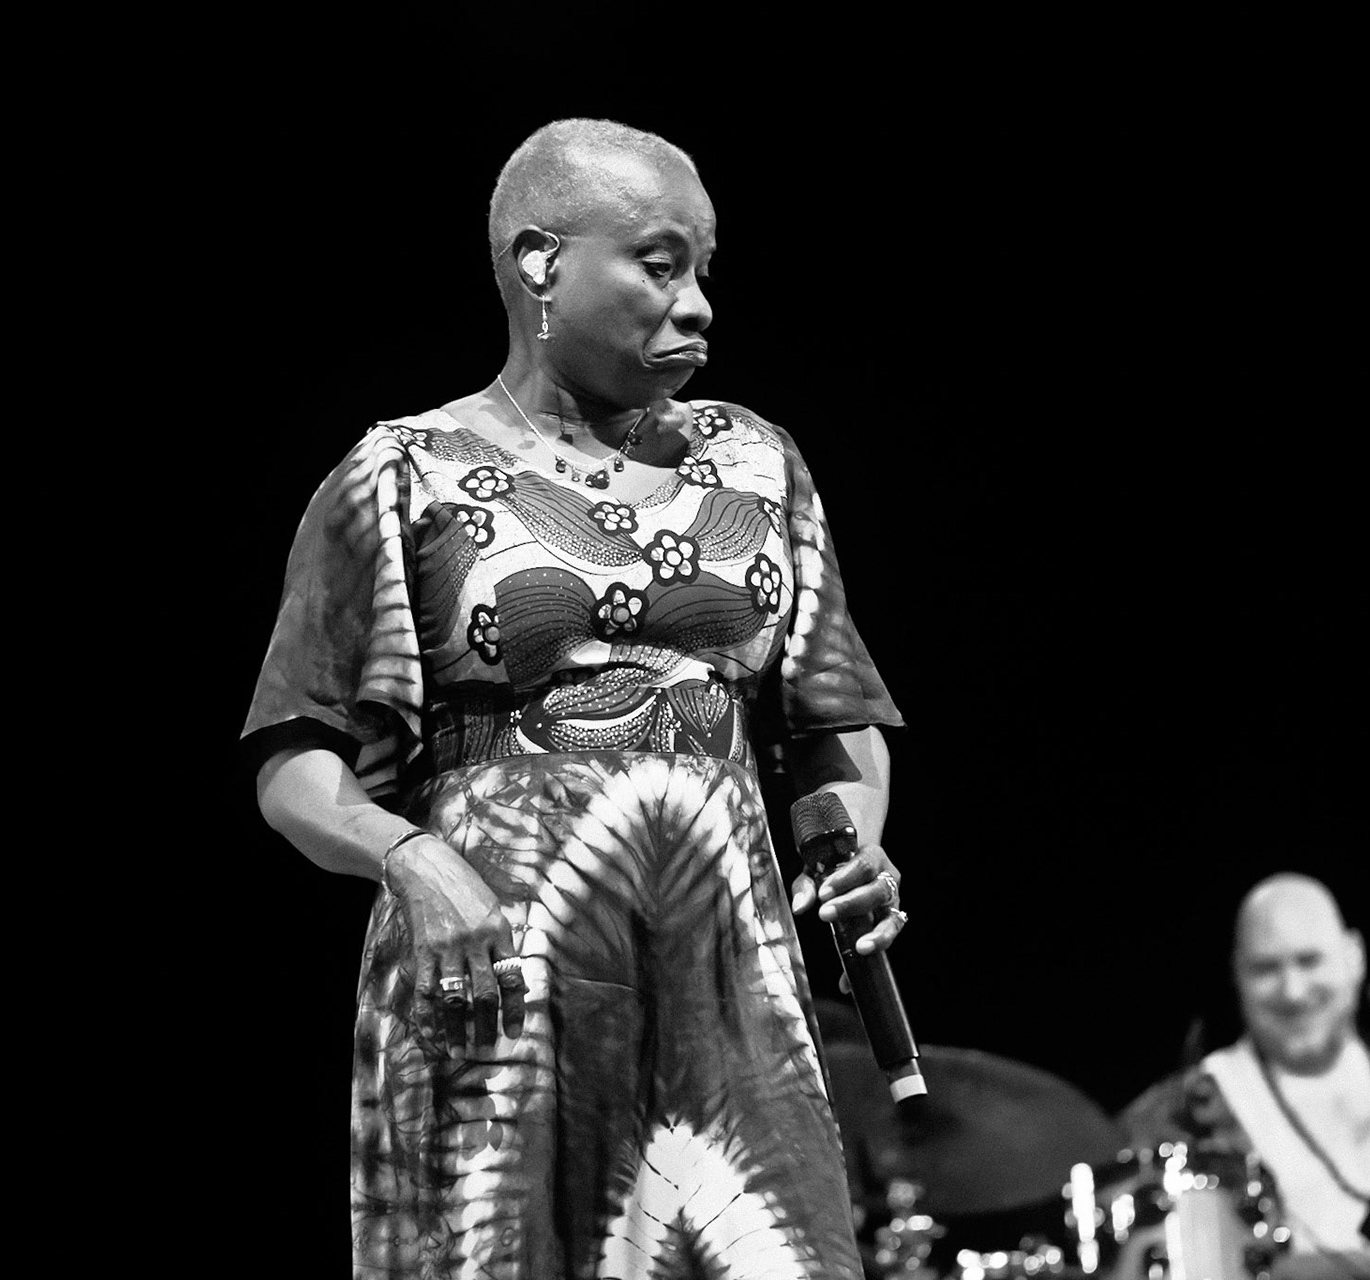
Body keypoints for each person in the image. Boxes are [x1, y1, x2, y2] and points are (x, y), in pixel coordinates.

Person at [240, 118, 906, 1279]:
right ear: (542, 263)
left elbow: (831, 713)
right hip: (501, 993)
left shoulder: (757, 462)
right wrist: (410, 857)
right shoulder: (401, 471)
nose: (697, 303)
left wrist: (862, 847)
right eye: (660, 263)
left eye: (703, 270)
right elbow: (296, 762)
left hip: (725, 979)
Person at [1120, 874, 1370, 1279]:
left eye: (1309, 960)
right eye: (1265, 969)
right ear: (1236, 975)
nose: (1293, 991)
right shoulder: (1185, 1110)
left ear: (1355, 956)